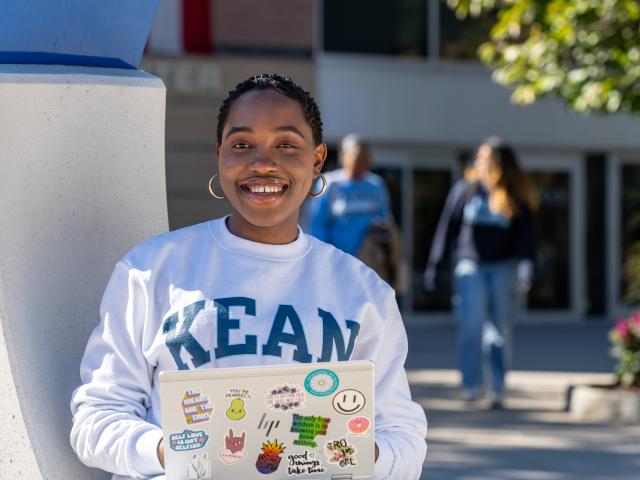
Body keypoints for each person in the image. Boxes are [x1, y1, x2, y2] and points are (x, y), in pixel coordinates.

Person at [70, 74, 427, 480]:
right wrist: (172, 450)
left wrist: (350, 450)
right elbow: (96, 418)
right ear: (220, 155)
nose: (262, 163)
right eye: (242, 145)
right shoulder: (150, 270)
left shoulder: (364, 292)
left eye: (286, 144)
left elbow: (404, 440)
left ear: (316, 159)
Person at [423, 136, 537, 409]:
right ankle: (472, 385)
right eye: (481, 158)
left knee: (498, 332)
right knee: (471, 327)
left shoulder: (514, 194)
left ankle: (497, 389)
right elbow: (446, 229)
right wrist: (435, 265)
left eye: (489, 159)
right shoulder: (465, 190)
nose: (483, 164)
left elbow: (527, 237)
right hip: (470, 266)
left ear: (502, 164)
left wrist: (526, 269)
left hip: (503, 267)